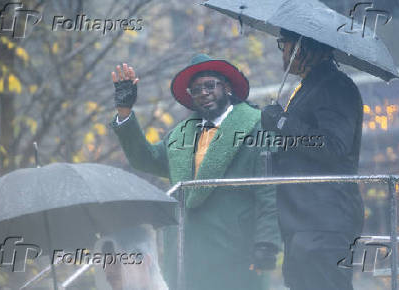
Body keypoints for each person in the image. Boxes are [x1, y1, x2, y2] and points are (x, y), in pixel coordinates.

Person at [109, 54, 280, 290]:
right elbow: (145, 159)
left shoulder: (256, 126)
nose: (203, 92)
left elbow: (269, 191)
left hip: (235, 250)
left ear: (227, 87)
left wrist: (267, 244)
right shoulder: (181, 134)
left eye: (210, 85)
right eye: (196, 89)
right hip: (185, 252)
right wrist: (125, 112)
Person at [261, 29, 364, 290]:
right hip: (302, 223)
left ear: (302, 47)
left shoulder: (335, 85)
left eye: (284, 44)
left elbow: (333, 146)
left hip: (325, 225)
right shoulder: (309, 86)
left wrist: (283, 122)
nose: (282, 51)